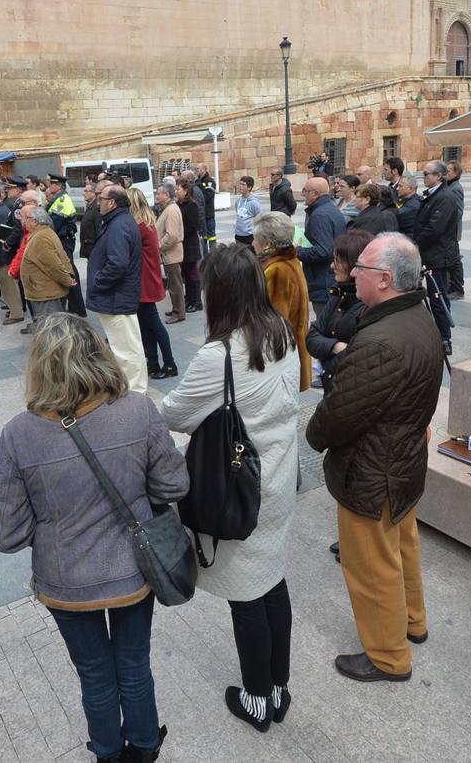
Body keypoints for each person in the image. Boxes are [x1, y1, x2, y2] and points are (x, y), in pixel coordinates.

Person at [0, 314, 186, 763]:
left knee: (94, 673)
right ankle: (144, 745)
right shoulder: (137, 410)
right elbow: (174, 487)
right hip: (135, 570)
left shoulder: (19, 434)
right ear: (100, 354)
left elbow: (7, 534)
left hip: (65, 582)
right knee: (134, 664)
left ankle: (106, 751)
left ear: (38, 365)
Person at [160, 244, 301, 733]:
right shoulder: (279, 329)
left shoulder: (219, 354)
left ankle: (258, 699)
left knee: (247, 595)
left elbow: (175, 414)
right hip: (279, 478)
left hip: (242, 489)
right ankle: (280, 687)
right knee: (273, 582)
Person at [307, 233, 445, 682]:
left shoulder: (382, 340)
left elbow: (340, 414)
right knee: (401, 545)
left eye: (361, 270)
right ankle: (412, 622)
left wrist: (313, 433)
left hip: (373, 469)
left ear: (384, 279)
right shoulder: (414, 315)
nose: (352, 275)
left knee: (372, 567)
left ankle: (388, 656)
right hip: (402, 460)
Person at [88, 185, 147, 393]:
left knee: (126, 350)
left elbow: (118, 263)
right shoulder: (119, 221)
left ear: (112, 202)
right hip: (118, 296)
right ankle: (133, 388)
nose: (98, 202)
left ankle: (135, 393)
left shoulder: (119, 225)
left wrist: (98, 282)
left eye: (100, 198)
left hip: (117, 297)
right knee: (126, 346)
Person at [252, 212, 312, 391]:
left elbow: (274, 325)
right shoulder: (291, 261)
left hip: (282, 359)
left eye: (255, 239)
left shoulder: (277, 271)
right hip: (293, 351)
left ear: (268, 244)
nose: (252, 243)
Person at [306, 230, 372, 394]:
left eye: (338, 260)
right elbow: (312, 336)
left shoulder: (369, 304)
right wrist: (335, 346)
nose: (331, 265)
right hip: (334, 388)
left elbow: (357, 359)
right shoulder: (338, 293)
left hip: (352, 392)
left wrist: (325, 357)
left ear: (354, 264)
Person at [127, 188, 177, 380]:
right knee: (147, 324)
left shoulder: (140, 226)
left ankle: (169, 363)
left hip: (144, 280)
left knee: (153, 324)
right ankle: (154, 362)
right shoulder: (146, 223)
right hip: (147, 279)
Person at [412, 162, 462, 355]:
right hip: (428, 253)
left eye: (426, 174)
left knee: (437, 297)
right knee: (426, 295)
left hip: (438, 255)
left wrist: (416, 244)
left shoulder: (445, 197)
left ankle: (444, 337)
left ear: (439, 176)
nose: (423, 177)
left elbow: (434, 229)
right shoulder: (434, 194)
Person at [18, 206, 76, 333]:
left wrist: (67, 280)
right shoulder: (43, 233)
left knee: (52, 331)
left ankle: (56, 352)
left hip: (46, 294)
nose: (23, 221)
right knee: (53, 328)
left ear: (35, 221)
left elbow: (53, 265)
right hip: (45, 291)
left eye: (26, 218)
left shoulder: (41, 237)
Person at [297, 176, 346, 317]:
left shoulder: (319, 215)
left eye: (305, 191)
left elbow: (323, 251)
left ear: (315, 193)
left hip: (323, 281)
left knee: (325, 324)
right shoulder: (329, 208)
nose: (302, 194)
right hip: (329, 278)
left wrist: (298, 251)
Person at [45, 174, 86, 316]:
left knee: (69, 272)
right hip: (63, 239)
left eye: (52, 184)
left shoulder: (62, 200)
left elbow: (54, 223)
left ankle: (77, 308)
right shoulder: (58, 199)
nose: (50, 186)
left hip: (64, 240)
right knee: (69, 271)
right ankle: (76, 307)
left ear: (59, 186)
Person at [0, 184, 26, 325]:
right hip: (4, 251)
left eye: (9, 189)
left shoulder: (4, 209)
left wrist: (6, 244)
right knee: (6, 285)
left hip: (5, 252)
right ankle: (15, 309)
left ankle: (17, 312)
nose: (7, 191)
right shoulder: (9, 205)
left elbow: (15, 230)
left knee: (8, 284)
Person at [154, 183, 186, 324]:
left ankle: (178, 313)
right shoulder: (168, 208)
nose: (156, 196)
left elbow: (171, 235)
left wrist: (158, 247)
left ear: (166, 195)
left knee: (175, 285)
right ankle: (176, 309)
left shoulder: (171, 210)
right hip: (169, 254)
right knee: (173, 284)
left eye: (158, 193)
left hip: (171, 254)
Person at [177, 180, 203, 313]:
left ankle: (196, 301)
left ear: (186, 191)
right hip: (182, 244)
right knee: (186, 274)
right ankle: (189, 299)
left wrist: (179, 233)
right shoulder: (179, 204)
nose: (176, 191)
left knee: (192, 273)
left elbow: (192, 226)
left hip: (190, 244)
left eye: (179, 189)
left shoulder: (191, 205)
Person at [444, 160, 466, 299]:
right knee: (452, 259)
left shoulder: (456, 188)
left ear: (456, 173)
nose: (446, 173)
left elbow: (458, 211)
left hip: (451, 231)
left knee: (455, 260)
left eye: (449, 171)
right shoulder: (449, 186)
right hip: (448, 231)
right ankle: (452, 286)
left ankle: (458, 288)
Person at [233, 176, 261, 247]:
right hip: (238, 234)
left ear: (249, 187)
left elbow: (259, 218)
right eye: (240, 184)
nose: (240, 186)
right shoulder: (238, 201)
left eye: (243, 185)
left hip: (249, 235)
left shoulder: (254, 203)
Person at [196, 163, 217, 251]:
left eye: (198, 169)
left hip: (208, 215)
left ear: (203, 170)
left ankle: (213, 254)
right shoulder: (197, 181)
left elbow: (208, 196)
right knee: (203, 236)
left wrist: (200, 189)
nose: (196, 170)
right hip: (201, 215)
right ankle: (205, 256)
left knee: (211, 236)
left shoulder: (210, 181)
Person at [79, 182, 102, 261]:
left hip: (93, 249)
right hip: (89, 248)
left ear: (93, 193)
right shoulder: (90, 205)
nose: (83, 193)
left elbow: (98, 229)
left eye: (86, 191)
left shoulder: (96, 208)